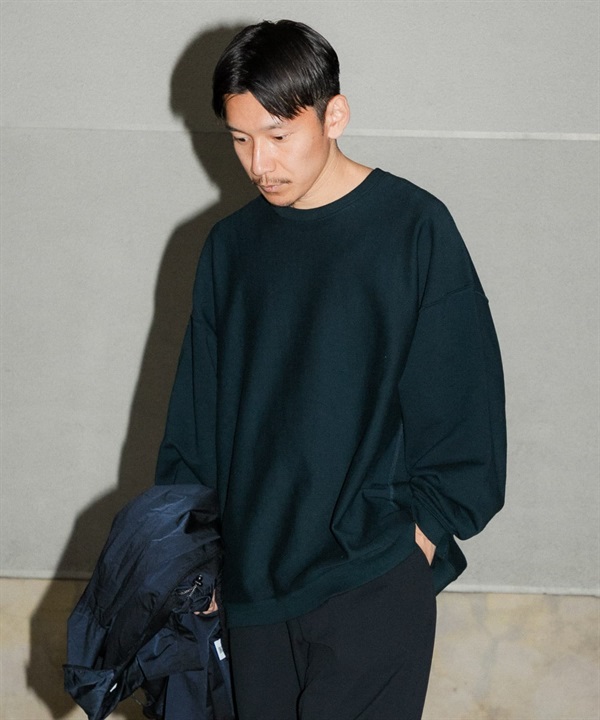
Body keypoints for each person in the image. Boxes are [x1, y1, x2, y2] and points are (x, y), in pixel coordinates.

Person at [156, 19, 506, 720]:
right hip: (251, 589)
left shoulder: (412, 228)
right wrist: (191, 557)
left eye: (278, 135)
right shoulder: (230, 248)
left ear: (334, 115)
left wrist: (418, 537)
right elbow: (196, 418)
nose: (259, 162)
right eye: (240, 139)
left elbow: (464, 402)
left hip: (371, 576)